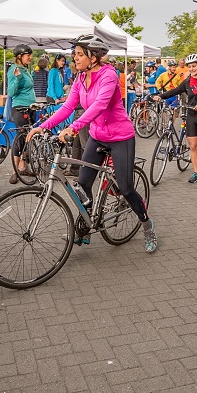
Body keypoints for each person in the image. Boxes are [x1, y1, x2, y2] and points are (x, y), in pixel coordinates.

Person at [28, 34, 159, 253]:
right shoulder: (80, 79)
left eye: (79, 54)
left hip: (120, 137)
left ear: (94, 57)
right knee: (83, 183)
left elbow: (98, 106)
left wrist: (74, 127)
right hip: (98, 135)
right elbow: (68, 107)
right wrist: (44, 126)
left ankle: (147, 224)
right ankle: (86, 229)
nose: (75, 58)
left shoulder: (109, 75)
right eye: (74, 54)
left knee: (126, 188)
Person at [157, 53, 197, 183]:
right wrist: (160, 96)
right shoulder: (187, 81)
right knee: (193, 147)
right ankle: (196, 173)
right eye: (189, 66)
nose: (191, 69)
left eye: (194, 66)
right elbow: (175, 91)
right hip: (191, 116)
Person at [7, 44, 37, 185]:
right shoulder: (14, 70)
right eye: (27, 55)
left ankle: (23, 167)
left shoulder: (25, 70)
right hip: (19, 108)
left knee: (28, 138)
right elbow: (11, 92)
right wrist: (17, 79)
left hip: (30, 107)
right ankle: (15, 171)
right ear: (19, 56)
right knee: (20, 138)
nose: (30, 57)